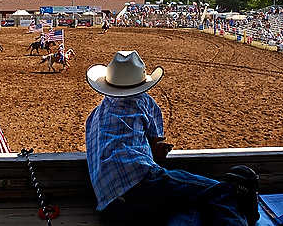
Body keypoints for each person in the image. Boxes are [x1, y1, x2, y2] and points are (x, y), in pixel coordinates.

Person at [85, 50, 260, 226]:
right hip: (140, 180)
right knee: (219, 192)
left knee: (186, 208)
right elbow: (157, 153)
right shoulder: (144, 101)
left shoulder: (94, 116)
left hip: (109, 205)